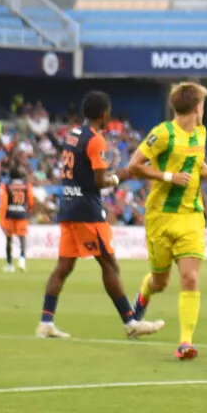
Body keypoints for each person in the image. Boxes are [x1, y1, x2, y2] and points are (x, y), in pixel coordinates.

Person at [36, 90, 163, 341]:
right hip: (87, 212)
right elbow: (97, 181)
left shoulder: (73, 134)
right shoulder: (96, 140)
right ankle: (131, 322)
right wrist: (122, 176)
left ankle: (46, 322)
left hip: (69, 206)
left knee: (63, 267)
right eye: (109, 110)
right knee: (109, 265)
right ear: (103, 113)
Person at [124, 82, 207, 361]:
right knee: (159, 280)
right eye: (202, 105)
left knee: (190, 277)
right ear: (195, 107)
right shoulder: (163, 133)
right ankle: (143, 298)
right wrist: (168, 177)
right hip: (160, 217)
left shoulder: (201, 133)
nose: (204, 110)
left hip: (191, 215)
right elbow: (134, 165)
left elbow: (195, 158)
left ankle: (185, 342)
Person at [0, 168, 31, 273]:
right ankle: (22, 261)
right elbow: (30, 200)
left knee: (9, 240)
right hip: (22, 214)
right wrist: (27, 210)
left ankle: (9, 264)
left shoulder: (6, 186)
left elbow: (3, 203)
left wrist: (1, 220)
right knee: (22, 239)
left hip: (10, 215)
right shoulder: (27, 186)